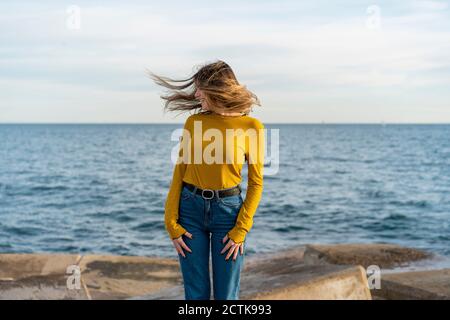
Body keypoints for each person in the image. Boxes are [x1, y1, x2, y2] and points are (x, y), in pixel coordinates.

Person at [148, 60, 265, 300]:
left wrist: (241, 230)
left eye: (201, 88)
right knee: (196, 294)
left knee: (226, 296)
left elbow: (256, 183)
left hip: (228, 214)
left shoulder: (251, 127)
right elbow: (180, 172)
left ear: (217, 89)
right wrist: (171, 222)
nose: (197, 94)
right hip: (190, 210)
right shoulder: (195, 123)